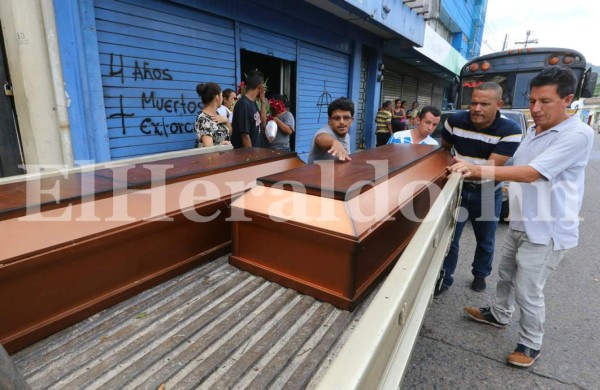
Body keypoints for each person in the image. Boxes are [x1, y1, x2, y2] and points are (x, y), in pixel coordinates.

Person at [449, 66, 594, 368]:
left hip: (547, 228)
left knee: (528, 289)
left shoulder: (577, 134)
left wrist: (476, 169)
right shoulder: (533, 130)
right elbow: (516, 165)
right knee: (506, 275)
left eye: (546, 101)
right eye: (532, 101)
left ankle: (530, 343)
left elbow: (531, 173)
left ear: (567, 99)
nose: (536, 109)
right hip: (521, 220)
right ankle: (500, 314)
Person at [436, 82, 522, 295]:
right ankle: (445, 279)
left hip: (486, 192)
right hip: (455, 189)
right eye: (474, 102)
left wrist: (466, 167)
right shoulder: (454, 121)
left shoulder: (510, 130)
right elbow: (443, 151)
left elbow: (492, 167)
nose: (476, 108)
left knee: (485, 238)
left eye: (484, 104)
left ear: (499, 104)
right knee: (450, 237)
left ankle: (480, 274)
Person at [308, 97, 354, 163]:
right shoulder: (324, 132)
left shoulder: (347, 136)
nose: (341, 122)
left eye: (346, 118)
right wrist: (333, 142)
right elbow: (320, 139)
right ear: (329, 121)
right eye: (336, 118)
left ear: (352, 120)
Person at [231, 70, 267, 148]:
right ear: (260, 87)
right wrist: (251, 158)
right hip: (248, 156)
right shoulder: (243, 104)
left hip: (256, 153)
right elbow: (245, 136)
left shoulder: (253, 103)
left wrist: (262, 102)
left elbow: (263, 124)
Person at [194, 82, 231, 147]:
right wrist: (220, 146)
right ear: (217, 97)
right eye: (221, 95)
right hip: (214, 156)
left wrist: (226, 121)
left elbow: (230, 133)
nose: (222, 98)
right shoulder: (203, 119)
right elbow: (209, 149)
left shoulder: (217, 114)